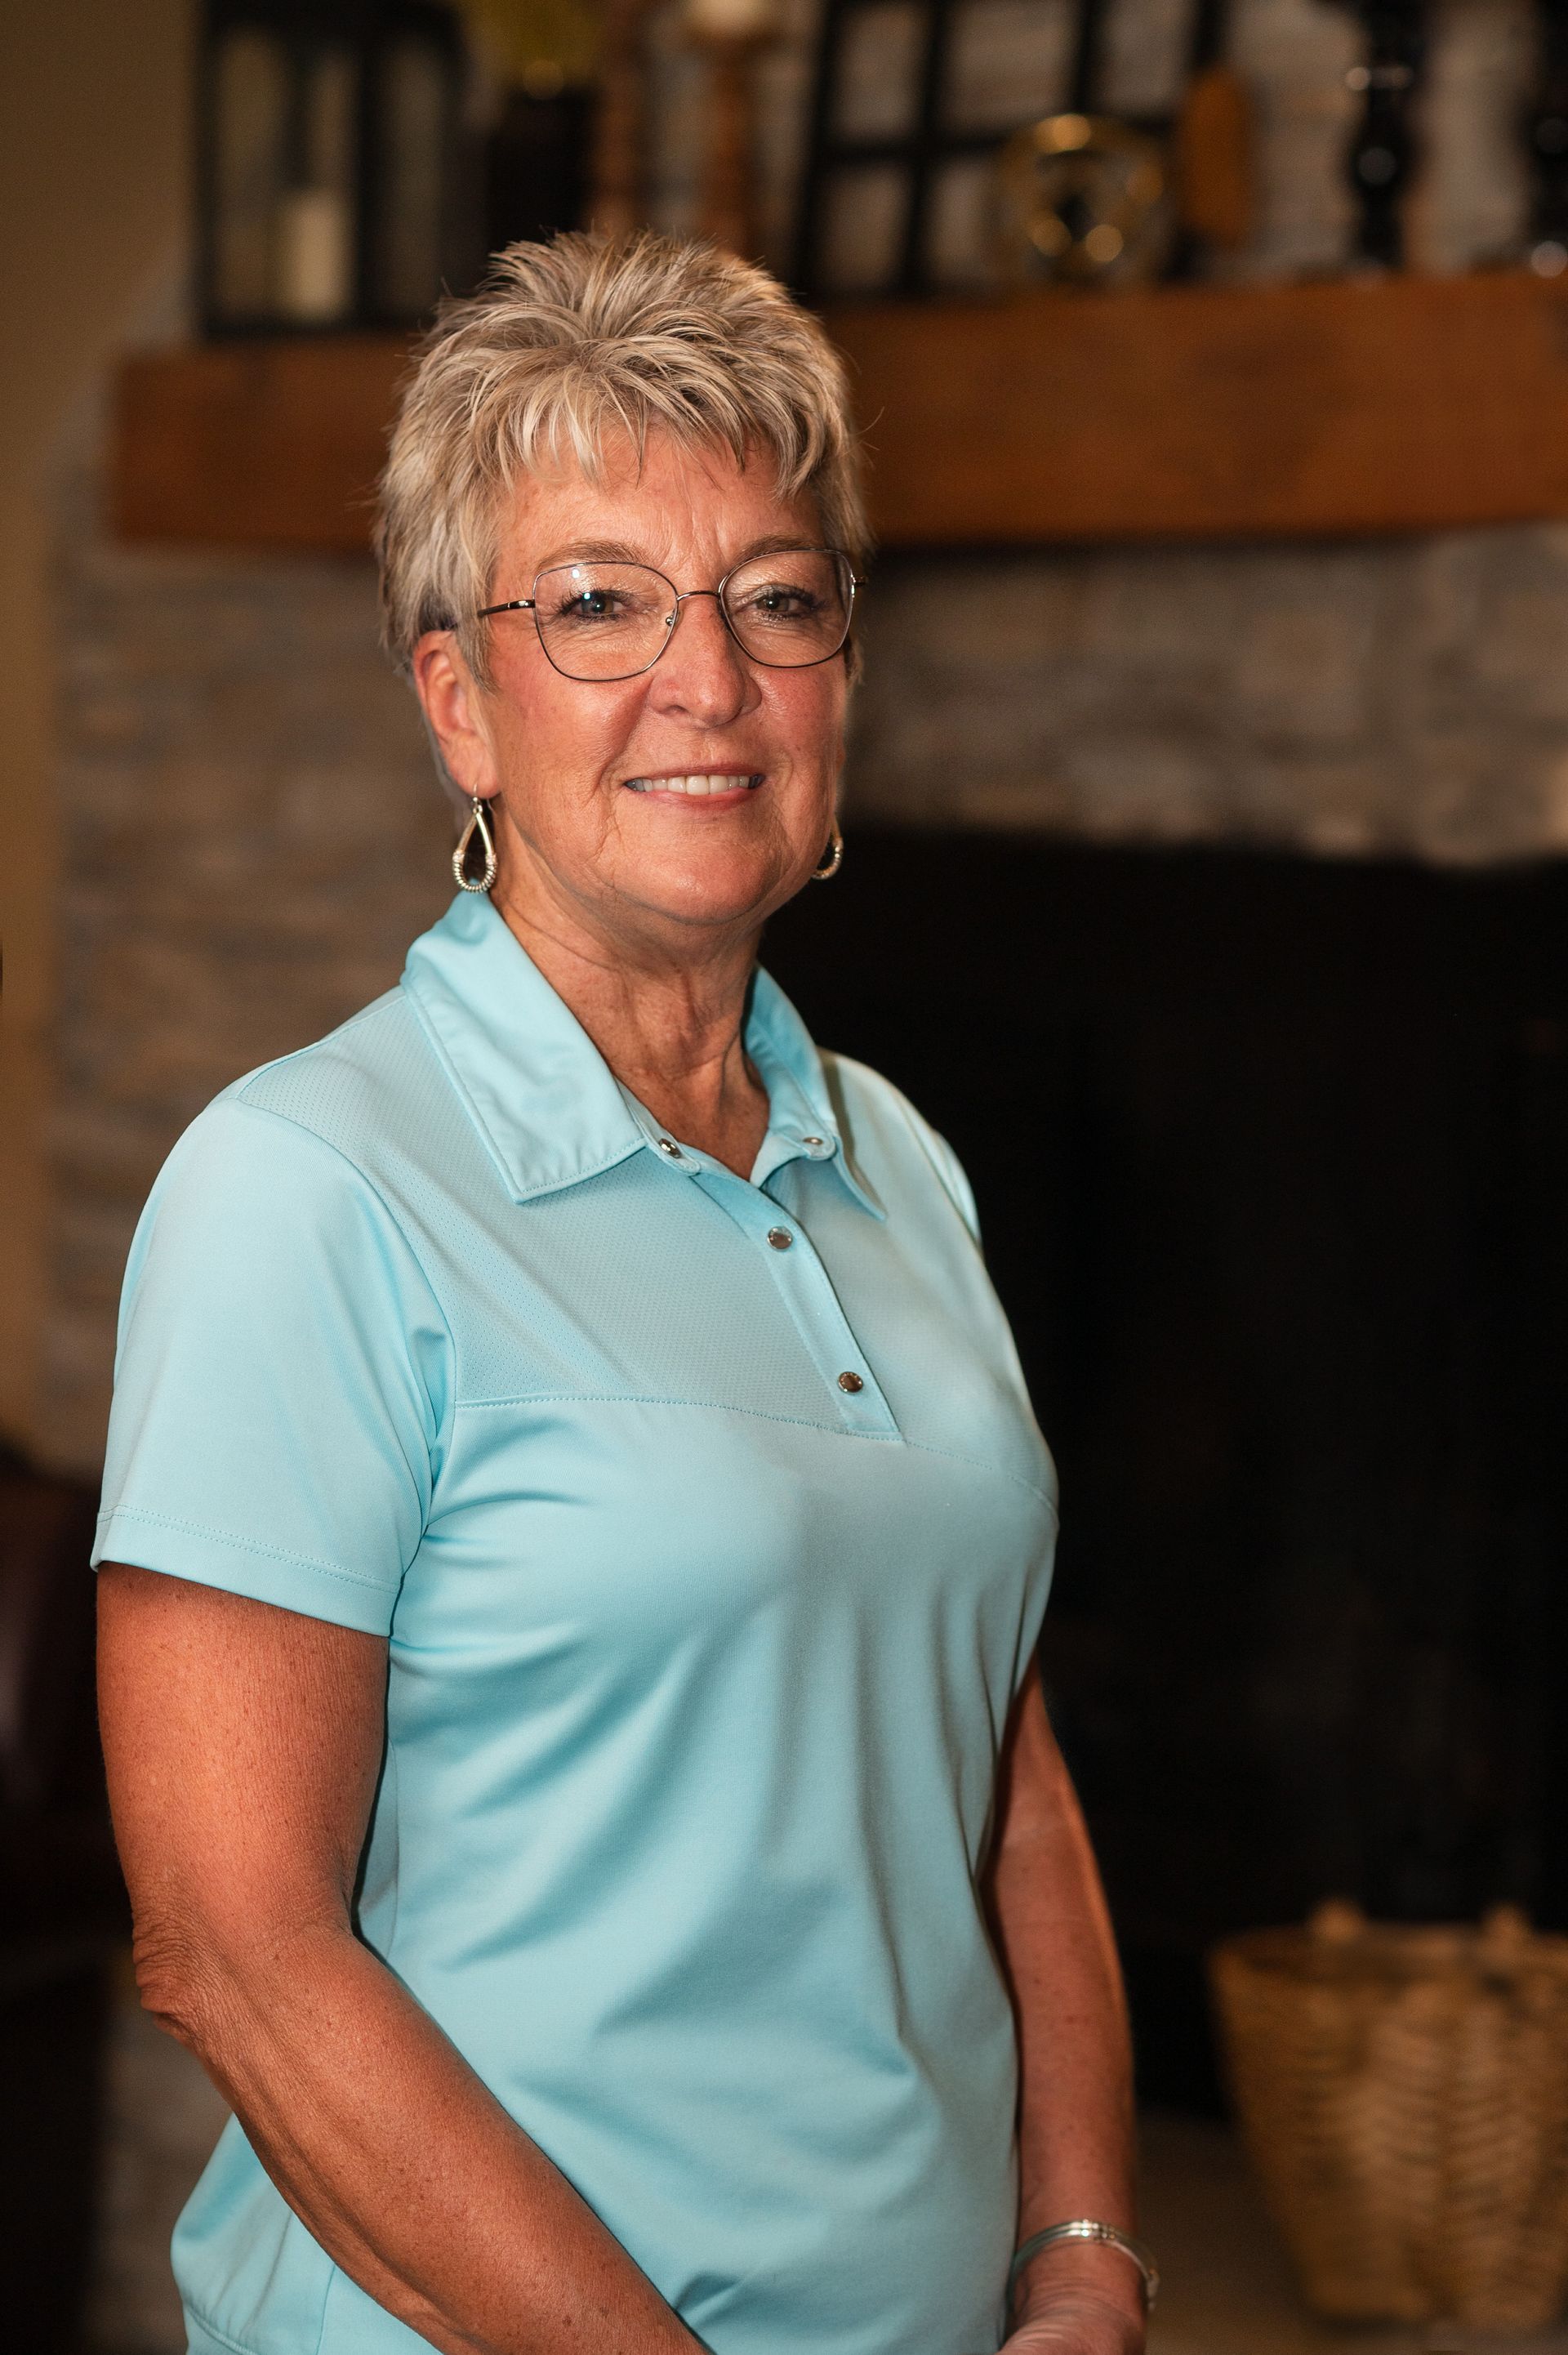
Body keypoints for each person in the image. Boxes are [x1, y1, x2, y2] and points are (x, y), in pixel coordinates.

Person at [95, 230, 1149, 2355]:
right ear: (457, 702)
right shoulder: (304, 1189)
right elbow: (237, 1948)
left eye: (777, 595)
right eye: (597, 603)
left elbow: (999, 1770)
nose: (710, 678)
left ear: (841, 674)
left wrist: (1082, 2260)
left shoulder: (898, 1161)